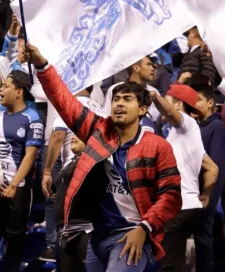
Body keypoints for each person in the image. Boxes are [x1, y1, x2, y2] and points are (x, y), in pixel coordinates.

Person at [24, 43, 182, 271]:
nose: (119, 103)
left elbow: (171, 195)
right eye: (116, 99)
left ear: (142, 109)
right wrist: (42, 64)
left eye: (127, 99)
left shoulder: (157, 145)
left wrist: (144, 228)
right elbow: (63, 101)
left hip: (133, 235)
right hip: (98, 237)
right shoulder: (99, 133)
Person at [149, 84, 219, 272]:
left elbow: (171, 113)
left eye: (168, 98)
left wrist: (155, 97)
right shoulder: (187, 134)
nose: (164, 103)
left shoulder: (186, 123)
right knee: (174, 262)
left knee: (168, 265)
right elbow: (212, 169)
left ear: (178, 105)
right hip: (190, 206)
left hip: (179, 207)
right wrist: (204, 196)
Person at [0, 70, 43, 271]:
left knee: (14, 243)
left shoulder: (32, 117)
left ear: (19, 91)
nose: (1, 89)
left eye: (6, 86)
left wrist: (13, 185)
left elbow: (30, 155)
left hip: (18, 190)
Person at [40, 86, 106, 262]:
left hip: (75, 173)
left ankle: (55, 250)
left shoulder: (69, 105)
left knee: (71, 232)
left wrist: (47, 171)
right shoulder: (101, 109)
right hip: (98, 172)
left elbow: (58, 136)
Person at [191, 82, 225, 272]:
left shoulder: (217, 127)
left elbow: (217, 166)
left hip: (206, 199)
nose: (194, 104)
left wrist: (208, 200)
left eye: (198, 100)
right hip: (195, 196)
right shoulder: (196, 126)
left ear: (211, 103)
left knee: (205, 245)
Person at [53, 135, 89, 272]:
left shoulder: (94, 162)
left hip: (83, 231)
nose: (73, 137)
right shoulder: (71, 161)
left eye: (79, 135)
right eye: (73, 134)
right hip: (65, 230)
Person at [103, 56, 160, 124]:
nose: (153, 68)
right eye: (148, 64)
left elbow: (156, 120)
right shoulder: (115, 89)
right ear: (136, 68)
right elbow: (106, 117)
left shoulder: (154, 93)